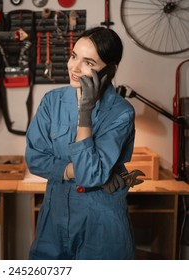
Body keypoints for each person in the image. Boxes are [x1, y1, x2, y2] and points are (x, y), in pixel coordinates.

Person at [25, 26, 136, 260]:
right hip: (54, 216)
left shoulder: (120, 113)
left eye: (88, 63)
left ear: (109, 71)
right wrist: (73, 170)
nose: (73, 68)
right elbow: (35, 159)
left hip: (100, 221)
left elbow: (90, 177)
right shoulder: (52, 102)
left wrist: (85, 112)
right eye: (74, 56)